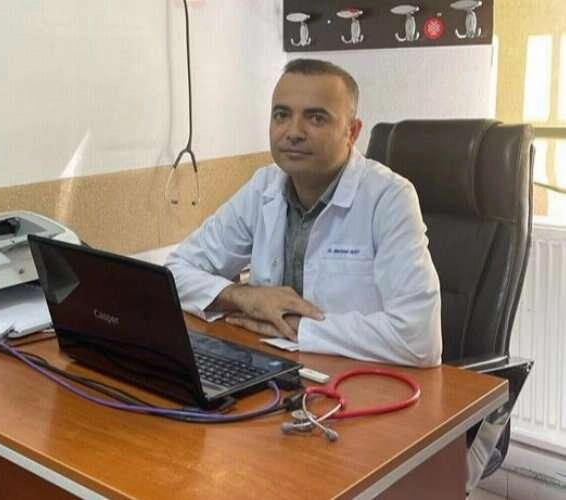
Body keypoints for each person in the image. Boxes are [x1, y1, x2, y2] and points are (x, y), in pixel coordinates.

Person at [165, 59, 442, 367]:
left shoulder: (388, 198)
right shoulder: (264, 186)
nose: (293, 132)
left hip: (359, 379)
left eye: (316, 118)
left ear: (352, 132)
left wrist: (299, 328)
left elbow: (420, 338)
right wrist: (243, 297)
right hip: (273, 369)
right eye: (281, 115)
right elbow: (174, 272)